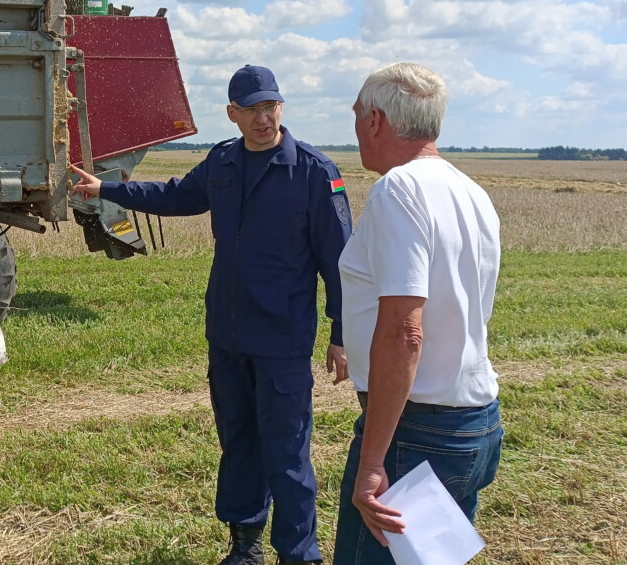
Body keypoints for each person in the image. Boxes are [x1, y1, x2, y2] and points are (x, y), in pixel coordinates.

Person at [71, 65, 352, 565]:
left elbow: (338, 260)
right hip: (227, 335)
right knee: (239, 444)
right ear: (233, 114)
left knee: (287, 455)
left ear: (281, 107)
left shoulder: (314, 172)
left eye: (271, 107)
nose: (264, 118)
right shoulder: (222, 162)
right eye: (252, 109)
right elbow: (176, 196)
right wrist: (106, 189)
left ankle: (299, 554)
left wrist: (342, 333)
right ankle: (245, 547)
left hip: (282, 342)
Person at [333, 62, 503, 565]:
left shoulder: (399, 191)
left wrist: (371, 463)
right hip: (474, 424)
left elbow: (405, 331)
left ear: (377, 121)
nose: (357, 125)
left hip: (417, 430)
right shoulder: (472, 193)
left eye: (358, 114)